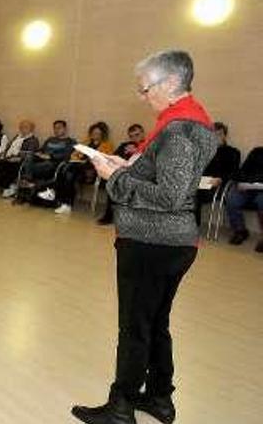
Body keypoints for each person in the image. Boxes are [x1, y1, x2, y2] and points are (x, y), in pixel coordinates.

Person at [72, 50, 217, 424]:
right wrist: (125, 167)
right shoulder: (180, 122)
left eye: (145, 88)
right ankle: (159, 399)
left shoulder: (181, 128)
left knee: (135, 327)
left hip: (155, 243)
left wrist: (114, 178)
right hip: (167, 243)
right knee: (155, 324)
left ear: (170, 84)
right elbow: (167, 180)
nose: (142, 96)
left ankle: (121, 408)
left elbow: (169, 196)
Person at [38, 122, 113, 214]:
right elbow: (73, 154)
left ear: (102, 134)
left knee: (68, 171)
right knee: (66, 171)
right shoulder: (86, 142)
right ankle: (64, 202)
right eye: (93, 133)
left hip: (90, 171)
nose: (95, 135)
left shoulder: (107, 145)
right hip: (77, 166)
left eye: (97, 133)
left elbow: (104, 160)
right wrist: (78, 158)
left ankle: (61, 198)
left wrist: (88, 159)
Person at [195, 122, 241, 226]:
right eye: (213, 134)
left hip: (218, 186)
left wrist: (220, 179)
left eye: (219, 134)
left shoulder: (232, 152)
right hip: (202, 182)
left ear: (224, 135)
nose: (216, 137)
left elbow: (233, 173)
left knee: (193, 196)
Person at [98, 124, 145, 225]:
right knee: (113, 181)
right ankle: (109, 216)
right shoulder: (125, 145)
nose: (135, 138)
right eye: (132, 136)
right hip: (122, 171)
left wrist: (137, 151)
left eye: (137, 135)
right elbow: (114, 157)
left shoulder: (149, 145)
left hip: (139, 174)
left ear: (142, 133)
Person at [224, 146, 263, 252]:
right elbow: (244, 170)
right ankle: (240, 231)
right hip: (248, 188)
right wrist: (242, 182)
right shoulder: (257, 152)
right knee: (232, 200)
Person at [0, 120, 40, 197]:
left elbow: (29, 154)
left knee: (8, 166)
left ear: (31, 129)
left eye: (25, 127)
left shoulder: (33, 140)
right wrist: (3, 154)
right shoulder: (17, 136)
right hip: (8, 157)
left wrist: (16, 156)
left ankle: (9, 186)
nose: (23, 129)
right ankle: (7, 185)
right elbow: (8, 146)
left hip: (20, 160)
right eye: (21, 127)